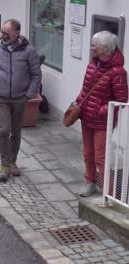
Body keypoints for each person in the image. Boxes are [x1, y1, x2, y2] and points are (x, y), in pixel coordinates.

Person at [0, 19, 42, 182]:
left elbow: (36, 75)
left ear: (16, 33)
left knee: (16, 132)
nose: (2, 36)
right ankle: (4, 165)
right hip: (1, 98)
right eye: (2, 32)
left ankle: (12, 162)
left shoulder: (29, 51)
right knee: (4, 130)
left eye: (6, 33)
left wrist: (28, 95)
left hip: (20, 99)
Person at [77, 31, 128, 197]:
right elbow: (85, 89)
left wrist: (100, 111)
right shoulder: (93, 64)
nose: (92, 48)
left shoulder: (118, 72)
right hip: (86, 117)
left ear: (105, 48)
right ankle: (89, 182)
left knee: (100, 158)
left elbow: (122, 100)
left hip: (102, 122)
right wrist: (78, 102)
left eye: (95, 46)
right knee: (88, 154)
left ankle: (110, 193)